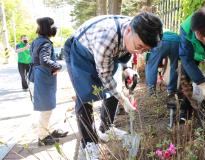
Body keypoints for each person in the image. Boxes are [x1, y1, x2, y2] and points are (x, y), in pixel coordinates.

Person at [64, 12, 163, 159]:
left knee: (115, 88)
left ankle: (107, 128)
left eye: (145, 50)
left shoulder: (138, 28)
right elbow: (105, 77)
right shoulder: (106, 37)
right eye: (140, 46)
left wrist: (127, 67)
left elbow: (128, 50)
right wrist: (124, 100)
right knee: (84, 96)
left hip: (106, 52)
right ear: (128, 30)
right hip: (82, 52)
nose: (140, 52)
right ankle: (89, 143)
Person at [30, 17, 68, 146]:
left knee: (49, 106)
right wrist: (58, 66)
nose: (55, 28)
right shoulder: (45, 43)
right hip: (43, 78)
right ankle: (42, 137)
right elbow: (44, 60)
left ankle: (50, 131)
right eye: (53, 26)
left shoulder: (37, 41)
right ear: (48, 28)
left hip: (41, 76)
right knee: (46, 108)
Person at [145, 31, 179, 96]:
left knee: (151, 65)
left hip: (162, 41)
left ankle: (151, 91)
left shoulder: (156, 34)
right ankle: (172, 90)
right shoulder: (168, 32)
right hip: (176, 42)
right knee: (174, 66)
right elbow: (165, 60)